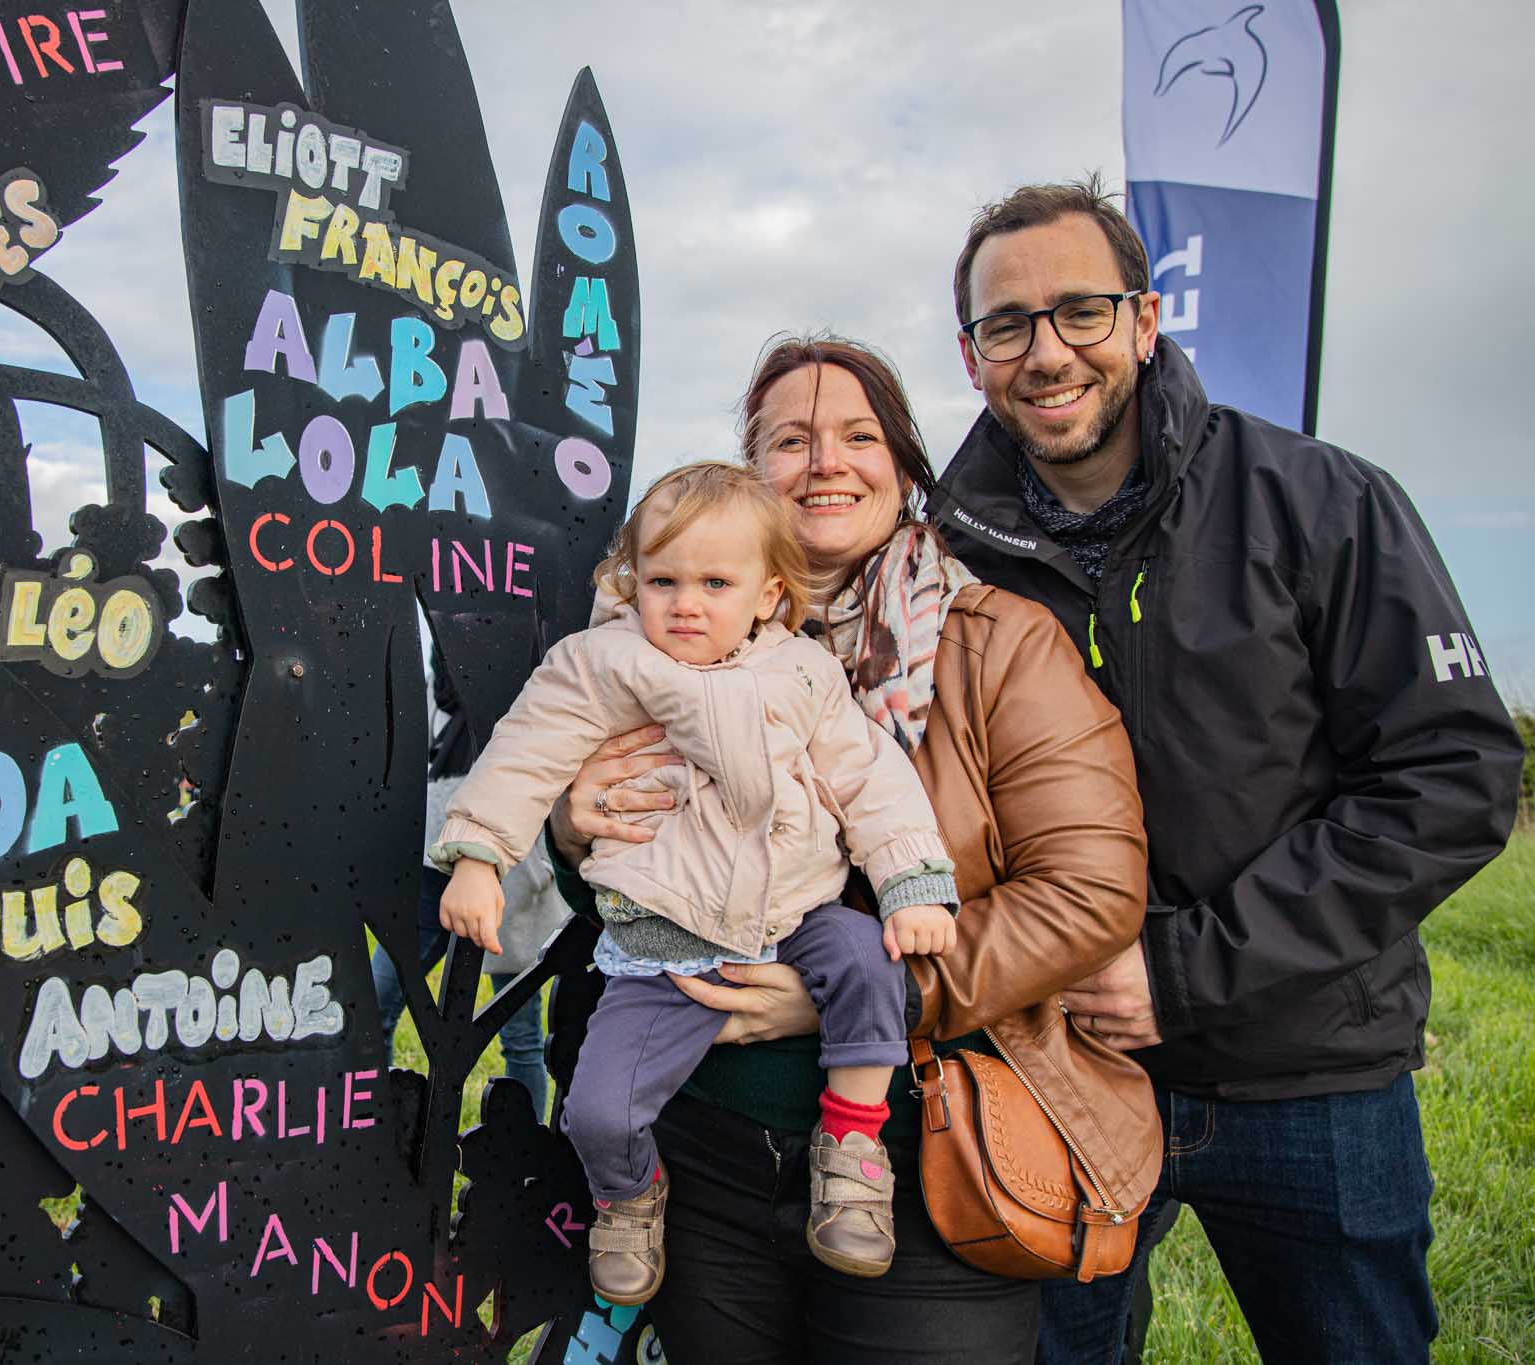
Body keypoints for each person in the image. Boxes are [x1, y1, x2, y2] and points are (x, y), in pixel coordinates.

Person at [932, 177, 1523, 1362]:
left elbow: (1449, 774)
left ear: (1145, 322)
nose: (1045, 352)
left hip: (1308, 1073)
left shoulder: (1320, 500)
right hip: (1048, 1070)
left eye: (1079, 312)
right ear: (970, 355)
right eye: (1007, 325)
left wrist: (1185, 971)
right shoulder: (939, 555)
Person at [546, 338, 1157, 1362]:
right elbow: (598, 876)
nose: (824, 462)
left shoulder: (996, 642)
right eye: (789, 440)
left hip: (920, 1156)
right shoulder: (652, 644)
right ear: (750, 477)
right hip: (701, 1155)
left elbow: (1086, 892)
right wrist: (573, 828)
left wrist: (873, 988)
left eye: (858, 437)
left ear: (905, 468)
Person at [435, 460, 962, 1305]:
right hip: (667, 937)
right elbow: (525, 750)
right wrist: (478, 857)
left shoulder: (801, 673)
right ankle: (627, 1194)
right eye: (664, 580)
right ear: (630, 581)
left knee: (870, 962)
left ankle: (853, 1149)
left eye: (716, 582)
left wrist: (912, 880)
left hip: (796, 909)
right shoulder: (602, 664)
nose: (686, 603)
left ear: (767, 596)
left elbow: (870, 778)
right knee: (597, 1111)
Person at [368, 647, 564, 1123]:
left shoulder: (550, 656)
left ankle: (522, 1153)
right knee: (378, 1000)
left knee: (519, 1028)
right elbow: (451, 692)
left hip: (517, 850)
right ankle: (371, 1126)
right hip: (443, 838)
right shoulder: (460, 646)